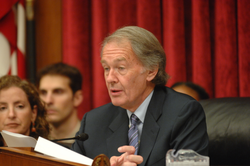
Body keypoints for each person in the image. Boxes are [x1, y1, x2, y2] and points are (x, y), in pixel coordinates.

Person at [72, 26, 209, 166]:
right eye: (107, 68)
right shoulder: (93, 123)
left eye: (121, 68)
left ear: (151, 71)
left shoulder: (183, 113)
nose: (110, 78)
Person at [36, 62, 83, 148]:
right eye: (43, 92)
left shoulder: (92, 141)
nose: (48, 100)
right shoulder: (33, 141)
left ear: (77, 98)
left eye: (58, 92)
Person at [0, 75, 49, 146]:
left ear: (33, 113)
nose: (11, 114)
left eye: (19, 106)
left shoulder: (52, 155)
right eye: (2, 108)